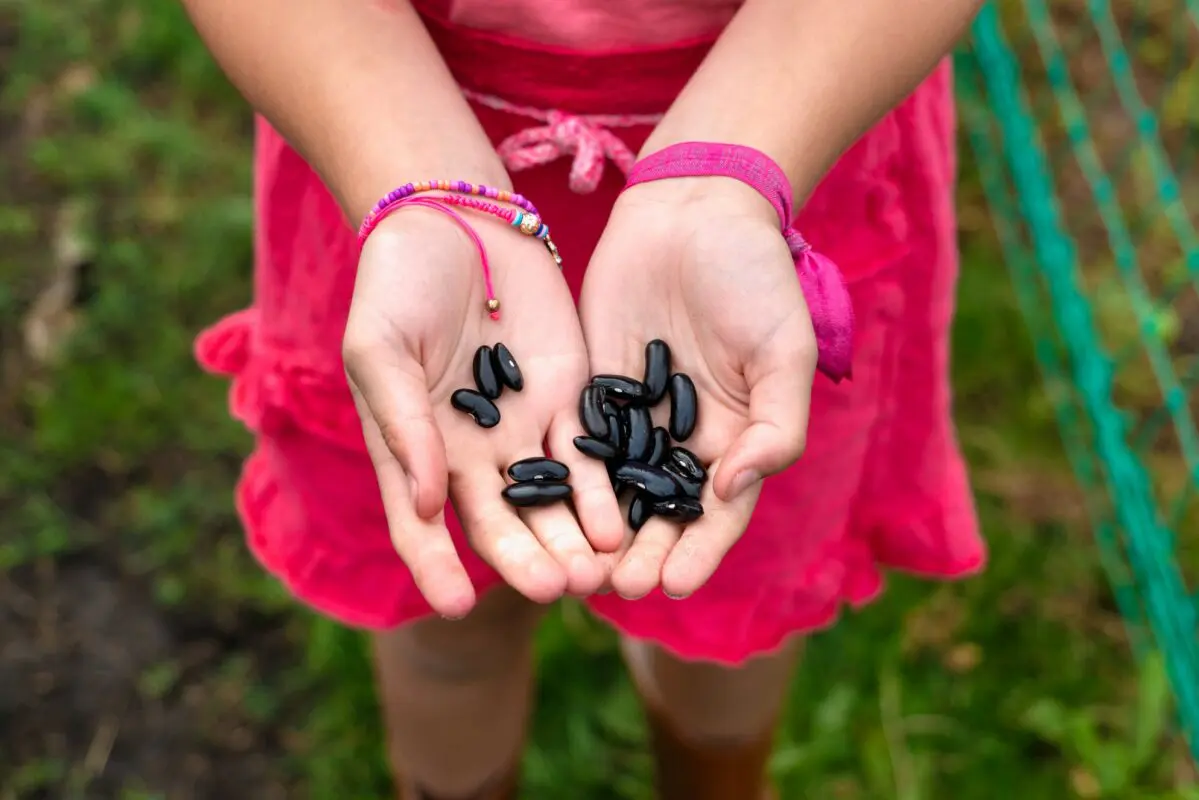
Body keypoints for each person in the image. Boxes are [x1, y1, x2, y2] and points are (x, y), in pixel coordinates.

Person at [185, 0, 988, 796]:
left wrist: (730, 168)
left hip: (791, 135)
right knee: (448, 619)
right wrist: (417, 186)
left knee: (720, 591)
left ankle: (716, 777)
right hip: (385, 144)